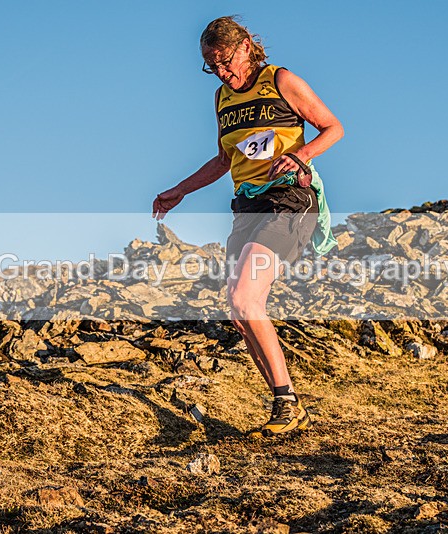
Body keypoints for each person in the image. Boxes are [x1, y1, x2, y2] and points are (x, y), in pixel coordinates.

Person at [152, 16, 343, 437]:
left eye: (223, 61)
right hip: (247, 206)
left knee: (244, 295)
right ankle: (286, 401)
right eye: (210, 66)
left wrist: (301, 155)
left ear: (244, 48)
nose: (220, 73)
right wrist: (179, 190)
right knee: (240, 313)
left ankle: (287, 404)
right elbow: (223, 160)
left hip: (289, 200)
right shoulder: (222, 98)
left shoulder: (280, 80)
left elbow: (333, 127)